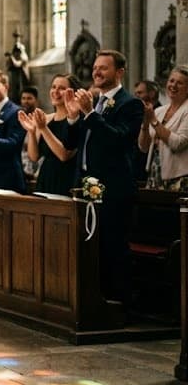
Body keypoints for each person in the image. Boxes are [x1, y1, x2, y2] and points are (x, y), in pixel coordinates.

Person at [64, 50, 143, 302]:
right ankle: (92, 300)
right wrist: (73, 117)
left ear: (119, 72)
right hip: (86, 185)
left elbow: (119, 140)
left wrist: (89, 114)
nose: (96, 72)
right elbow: (74, 144)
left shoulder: (129, 104)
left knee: (112, 246)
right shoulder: (94, 103)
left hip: (114, 187)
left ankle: (117, 304)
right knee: (88, 246)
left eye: (103, 68)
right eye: (95, 67)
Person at [18, 74, 80, 196]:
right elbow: (34, 156)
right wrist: (31, 131)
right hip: (45, 178)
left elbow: (64, 155)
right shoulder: (46, 119)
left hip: (67, 180)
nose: (55, 91)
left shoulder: (76, 120)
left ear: (72, 93)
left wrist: (43, 129)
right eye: (53, 87)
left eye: (61, 88)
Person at [138, 66, 188, 191]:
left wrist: (154, 121)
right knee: (154, 210)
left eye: (179, 83)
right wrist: (144, 125)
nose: (173, 85)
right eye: (171, 81)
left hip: (180, 178)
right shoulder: (160, 111)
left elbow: (177, 143)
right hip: (155, 174)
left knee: (179, 211)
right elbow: (143, 148)